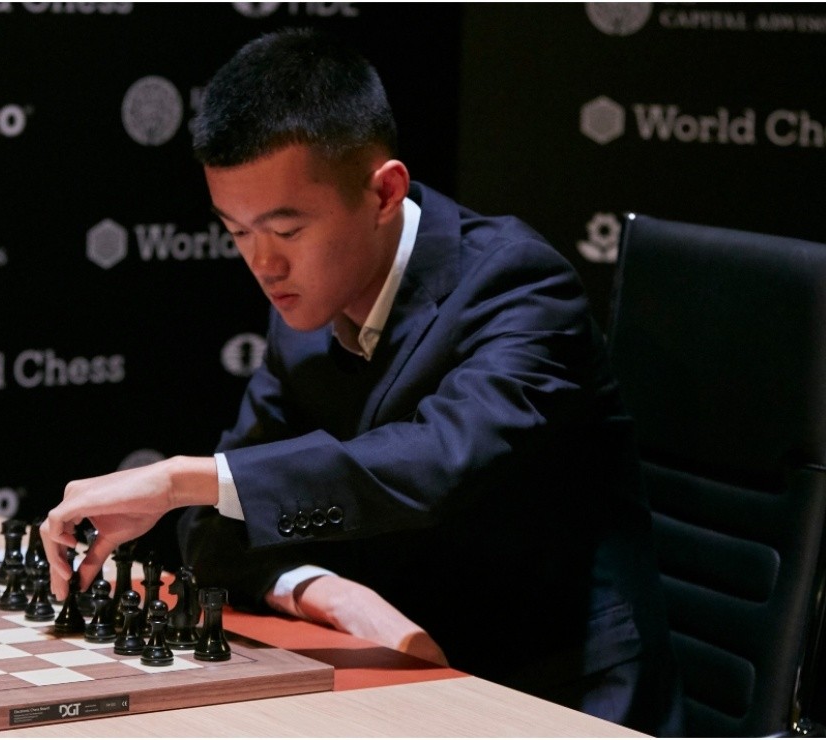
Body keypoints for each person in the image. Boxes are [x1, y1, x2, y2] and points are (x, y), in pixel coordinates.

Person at [41, 28, 683, 735]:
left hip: (556, 688)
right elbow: (219, 528)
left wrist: (179, 480)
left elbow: (438, 461)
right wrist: (325, 592)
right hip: (395, 668)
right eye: (237, 231)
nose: (263, 265)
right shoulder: (305, 307)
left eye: (285, 231)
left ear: (384, 192)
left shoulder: (519, 287)